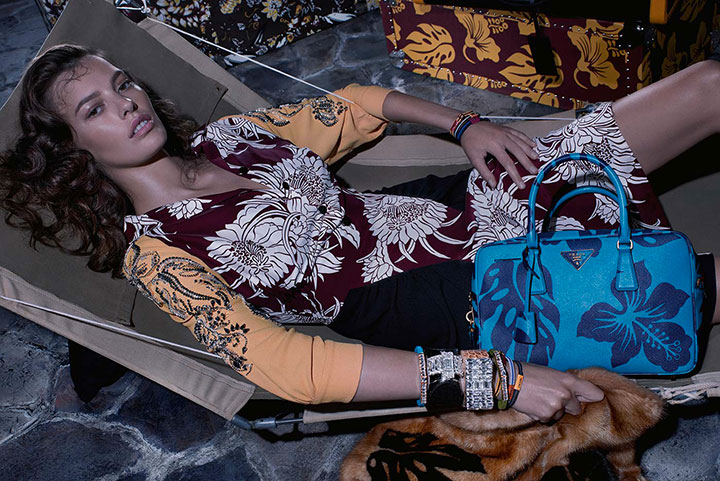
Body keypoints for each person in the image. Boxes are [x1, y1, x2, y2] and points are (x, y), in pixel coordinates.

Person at [1, 44, 718, 423]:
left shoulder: (231, 136)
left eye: (123, 83)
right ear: (74, 150)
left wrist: (466, 124)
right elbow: (288, 367)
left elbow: (355, 104)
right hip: (428, 295)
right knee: (676, 292)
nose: (127, 104)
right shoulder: (158, 254)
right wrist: (493, 379)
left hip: (443, 208)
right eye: (94, 108)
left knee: (706, 84)